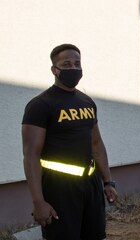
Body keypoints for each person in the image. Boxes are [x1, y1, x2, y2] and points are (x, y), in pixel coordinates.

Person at [22, 44, 118, 240]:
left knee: (95, 235)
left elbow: (96, 144)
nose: (73, 69)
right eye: (66, 64)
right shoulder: (40, 105)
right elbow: (31, 155)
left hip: (91, 184)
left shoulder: (87, 102)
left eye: (77, 64)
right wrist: (38, 202)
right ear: (54, 70)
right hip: (59, 186)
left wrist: (108, 181)